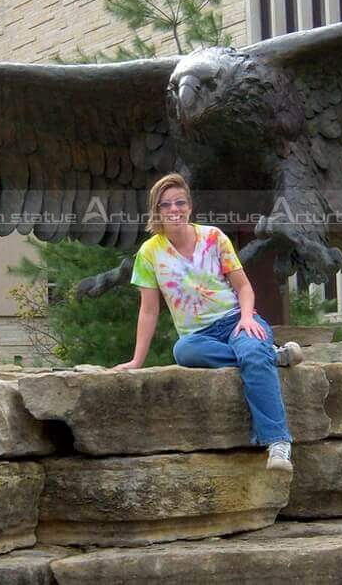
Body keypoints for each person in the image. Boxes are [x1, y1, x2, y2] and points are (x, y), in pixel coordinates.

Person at [112, 172, 303, 471]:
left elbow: (243, 287)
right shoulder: (149, 254)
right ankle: (271, 355)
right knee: (183, 352)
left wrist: (247, 317)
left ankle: (278, 443)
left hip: (235, 320)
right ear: (157, 211)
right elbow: (148, 311)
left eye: (180, 202)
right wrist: (137, 360)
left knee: (251, 350)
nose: (174, 210)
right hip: (199, 336)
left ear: (189, 206)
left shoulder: (214, 237)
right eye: (166, 205)